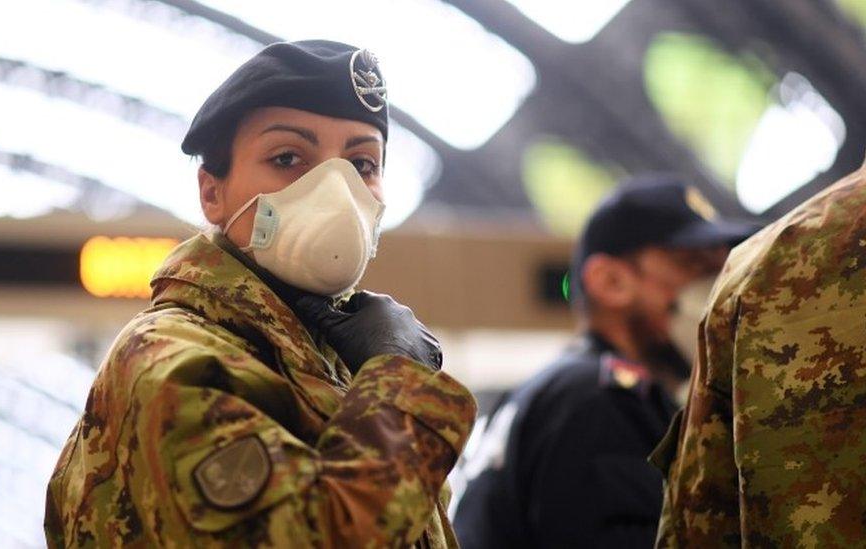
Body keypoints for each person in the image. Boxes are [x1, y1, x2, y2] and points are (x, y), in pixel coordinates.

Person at [44, 40, 477, 548]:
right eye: (289, 157)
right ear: (212, 193)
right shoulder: (171, 360)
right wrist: (400, 385)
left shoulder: (331, 362)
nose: (336, 189)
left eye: (362, 165)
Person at [451, 177, 754, 548]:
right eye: (693, 265)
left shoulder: (555, 390)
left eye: (722, 269)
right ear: (610, 282)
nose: (717, 288)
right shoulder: (602, 403)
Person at [653, 160, 866, 546]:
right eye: (689, 263)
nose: (701, 282)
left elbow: (698, 527)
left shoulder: (758, 270)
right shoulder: (588, 401)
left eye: (713, 263)